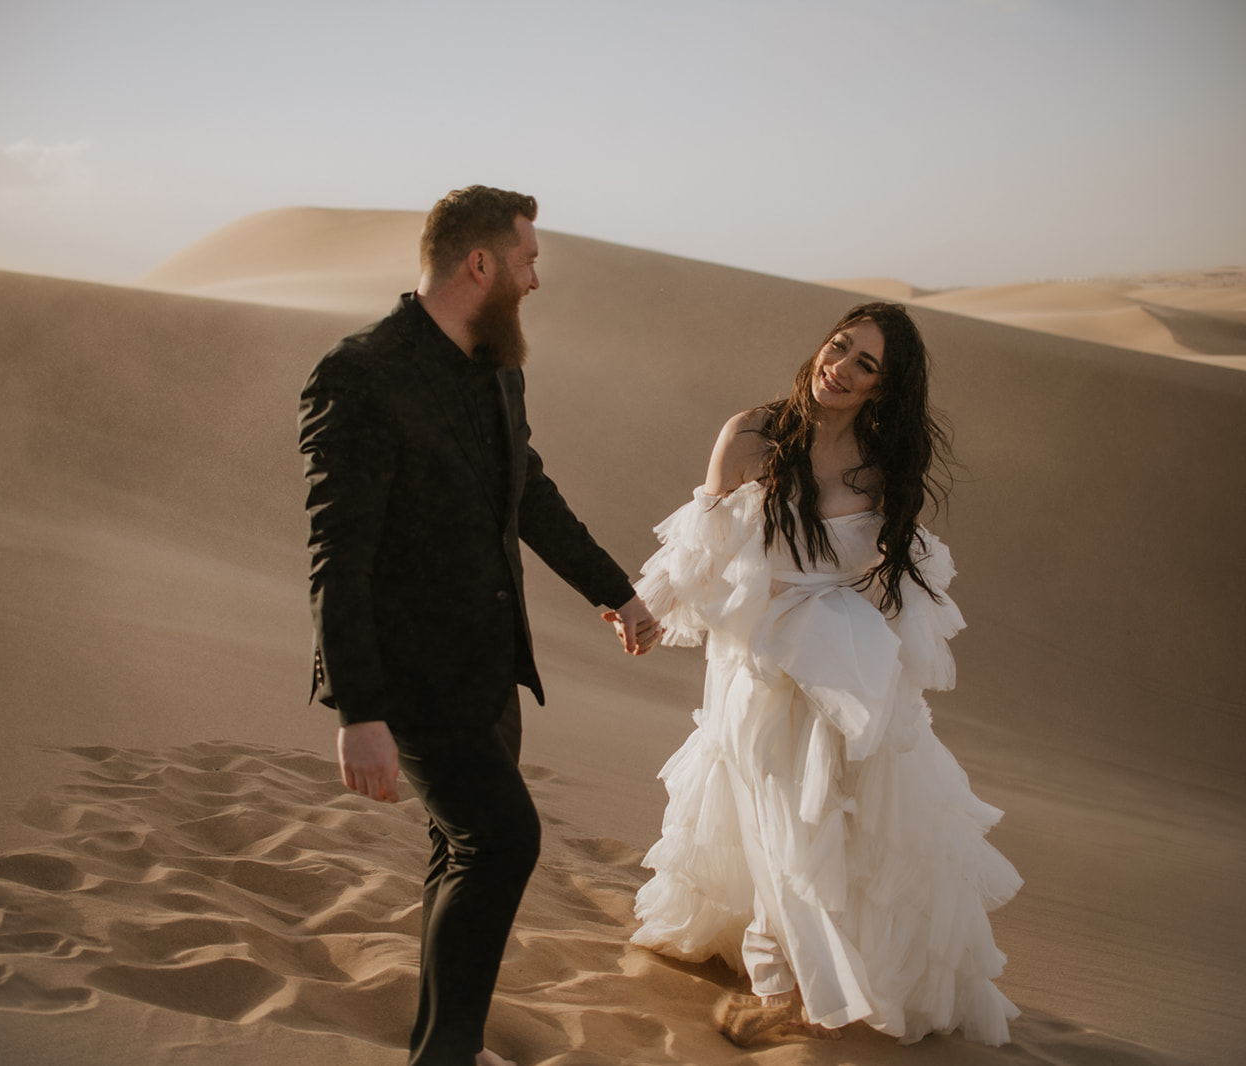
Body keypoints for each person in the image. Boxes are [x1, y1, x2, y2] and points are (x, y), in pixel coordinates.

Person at [297, 185, 660, 1066]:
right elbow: (337, 555)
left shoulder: (498, 366)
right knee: (502, 842)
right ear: (480, 264)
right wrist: (358, 711)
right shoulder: (363, 373)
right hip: (412, 683)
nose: (536, 281)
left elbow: (526, 492)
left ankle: (436, 1044)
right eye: (528, 261)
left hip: (491, 675)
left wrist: (617, 592)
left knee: (458, 852)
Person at [627, 303, 1021, 1047]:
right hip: (760, 663)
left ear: (883, 389)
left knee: (841, 827)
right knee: (780, 823)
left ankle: (845, 972)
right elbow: (700, 545)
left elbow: (896, 577)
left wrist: (893, 683)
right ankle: (780, 985)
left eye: (864, 364)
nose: (839, 367)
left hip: (844, 663)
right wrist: (648, 609)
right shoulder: (752, 434)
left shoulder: (884, 467)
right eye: (839, 348)